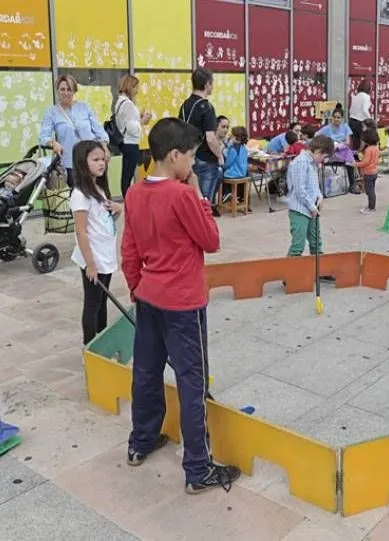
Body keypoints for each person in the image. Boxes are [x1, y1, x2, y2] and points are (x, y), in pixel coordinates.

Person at [121, 117, 239, 493]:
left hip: (150, 297)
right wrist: (200, 196)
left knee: (147, 371)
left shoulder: (135, 192)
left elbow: (130, 251)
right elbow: (211, 239)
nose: (191, 164)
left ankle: (141, 441)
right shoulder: (183, 194)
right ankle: (198, 468)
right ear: (174, 156)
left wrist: (138, 287)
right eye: (189, 156)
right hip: (183, 303)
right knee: (192, 381)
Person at [70, 140, 121, 345]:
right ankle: (89, 346)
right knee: (92, 303)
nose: (102, 163)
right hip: (93, 258)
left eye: (103, 159)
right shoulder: (80, 194)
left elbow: (102, 222)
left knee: (102, 302)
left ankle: (101, 341)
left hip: (105, 255)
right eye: (96, 159)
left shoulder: (98, 189)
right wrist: (90, 264)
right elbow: (81, 232)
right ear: (83, 163)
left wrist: (117, 210)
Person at [39, 75, 110, 187]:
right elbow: (43, 137)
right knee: (77, 195)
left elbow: (100, 131)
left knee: (98, 194)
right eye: (62, 89)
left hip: (92, 160)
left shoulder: (84, 107)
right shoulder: (52, 112)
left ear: (74, 91)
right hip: (70, 162)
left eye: (69, 89)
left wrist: (104, 147)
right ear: (57, 90)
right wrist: (53, 143)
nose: (66, 93)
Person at [179, 67, 225, 216]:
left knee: (189, 202)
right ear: (206, 84)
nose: (213, 87)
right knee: (203, 204)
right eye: (212, 83)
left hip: (188, 158)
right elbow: (211, 138)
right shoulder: (207, 107)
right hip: (205, 159)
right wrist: (219, 156)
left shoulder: (185, 105)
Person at [286, 135, 334, 257]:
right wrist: (312, 207)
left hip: (312, 209)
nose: (323, 160)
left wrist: (320, 196)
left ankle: (319, 272)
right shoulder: (301, 162)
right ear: (318, 151)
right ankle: (290, 273)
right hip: (300, 210)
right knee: (298, 246)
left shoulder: (312, 163)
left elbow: (314, 184)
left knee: (316, 244)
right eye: (324, 157)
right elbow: (299, 189)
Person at [114, 74, 153, 197]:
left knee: (127, 173)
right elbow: (132, 127)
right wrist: (143, 121)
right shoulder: (127, 104)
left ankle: (128, 197)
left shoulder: (120, 101)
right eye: (136, 87)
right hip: (130, 142)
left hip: (125, 142)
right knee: (128, 173)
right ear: (130, 87)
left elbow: (127, 121)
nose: (137, 90)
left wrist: (138, 117)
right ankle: (129, 198)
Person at [219, 126, 250, 205]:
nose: (229, 136)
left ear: (236, 137)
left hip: (234, 173)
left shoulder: (234, 148)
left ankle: (227, 193)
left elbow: (228, 164)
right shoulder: (243, 147)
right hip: (242, 173)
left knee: (220, 173)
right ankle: (236, 196)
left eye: (231, 135)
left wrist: (222, 166)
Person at [356, 128, 380, 214]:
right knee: (371, 190)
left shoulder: (368, 149)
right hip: (374, 172)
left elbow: (365, 162)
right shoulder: (376, 148)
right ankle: (371, 205)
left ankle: (371, 208)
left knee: (369, 191)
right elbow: (376, 160)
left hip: (368, 173)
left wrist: (356, 164)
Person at [349, 80, 373, 149]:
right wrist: (371, 119)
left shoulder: (355, 96)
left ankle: (355, 157)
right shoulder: (366, 97)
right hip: (360, 122)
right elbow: (364, 110)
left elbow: (351, 110)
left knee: (355, 143)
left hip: (351, 121)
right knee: (364, 142)